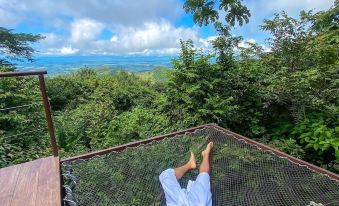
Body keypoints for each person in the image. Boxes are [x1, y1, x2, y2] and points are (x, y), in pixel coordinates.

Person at [159, 142, 213, 206]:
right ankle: (205, 155)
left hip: (178, 202)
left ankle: (190, 164)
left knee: (166, 175)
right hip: (198, 203)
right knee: (204, 177)